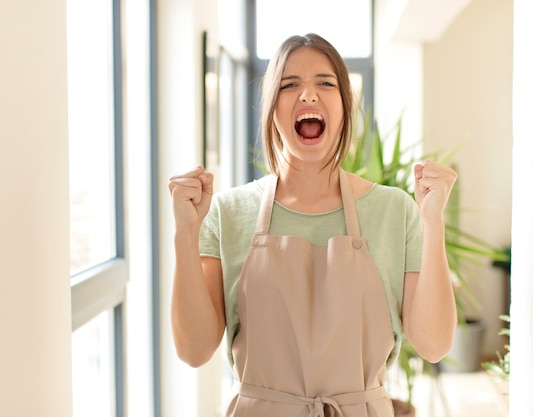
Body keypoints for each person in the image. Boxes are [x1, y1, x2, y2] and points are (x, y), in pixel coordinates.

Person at [168, 33, 457, 417]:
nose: (308, 95)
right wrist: (185, 234)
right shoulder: (228, 212)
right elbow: (194, 350)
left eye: (325, 83)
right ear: (271, 109)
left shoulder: (394, 210)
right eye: (290, 85)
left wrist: (433, 223)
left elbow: (434, 344)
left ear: (344, 107)